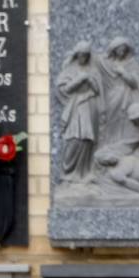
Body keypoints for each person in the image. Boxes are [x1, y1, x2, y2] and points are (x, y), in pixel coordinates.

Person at [57, 41, 101, 181]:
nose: (84, 58)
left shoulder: (92, 69)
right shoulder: (69, 69)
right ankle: (67, 171)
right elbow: (64, 89)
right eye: (82, 55)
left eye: (87, 56)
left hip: (89, 105)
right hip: (75, 106)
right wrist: (80, 79)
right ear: (77, 55)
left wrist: (90, 81)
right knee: (75, 138)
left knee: (87, 139)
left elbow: (97, 90)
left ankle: (82, 173)